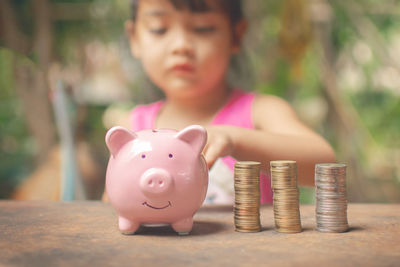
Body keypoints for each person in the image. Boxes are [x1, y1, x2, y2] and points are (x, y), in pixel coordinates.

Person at [109, 0, 336, 204]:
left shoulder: (261, 112)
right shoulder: (132, 126)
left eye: (202, 29)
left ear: (236, 35)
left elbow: (323, 163)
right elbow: (112, 202)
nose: (181, 45)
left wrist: (234, 139)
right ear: (134, 38)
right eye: (159, 29)